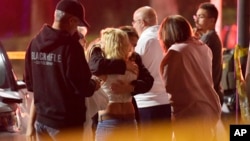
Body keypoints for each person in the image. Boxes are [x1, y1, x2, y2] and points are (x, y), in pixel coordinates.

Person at [24, 1, 100, 141]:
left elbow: (31, 85)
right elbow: (83, 88)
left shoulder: (34, 43)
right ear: (71, 21)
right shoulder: (71, 48)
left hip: (42, 122)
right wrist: (95, 83)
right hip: (66, 125)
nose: (76, 29)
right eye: (77, 24)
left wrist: (31, 124)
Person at [158, 15, 221, 141]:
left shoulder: (175, 52)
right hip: (210, 109)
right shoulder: (203, 47)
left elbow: (169, 85)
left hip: (189, 115)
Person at [132, 6, 172, 140]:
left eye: (134, 22)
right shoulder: (166, 37)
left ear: (142, 22)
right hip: (166, 100)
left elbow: (134, 69)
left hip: (147, 102)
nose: (133, 26)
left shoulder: (145, 40)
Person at [94, 28, 139, 141]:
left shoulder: (103, 70)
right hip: (130, 118)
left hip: (109, 120)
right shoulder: (133, 68)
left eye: (103, 42)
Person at [193, 2, 224, 105]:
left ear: (212, 21)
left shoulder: (208, 38)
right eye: (196, 16)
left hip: (207, 97)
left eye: (201, 17)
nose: (196, 20)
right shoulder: (209, 37)